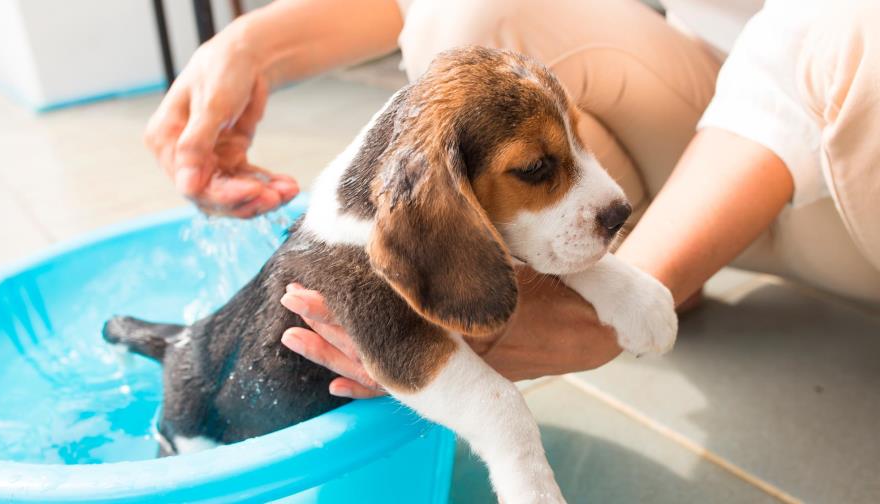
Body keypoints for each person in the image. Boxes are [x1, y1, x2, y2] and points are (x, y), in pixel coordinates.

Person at [145, 0, 880, 399]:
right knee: (471, 14)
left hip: (861, 152)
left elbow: (813, 43)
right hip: (709, 97)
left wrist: (612, 311)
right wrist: (249, 47)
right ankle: (636, 266)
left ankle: (639, 282)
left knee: (847, 32)